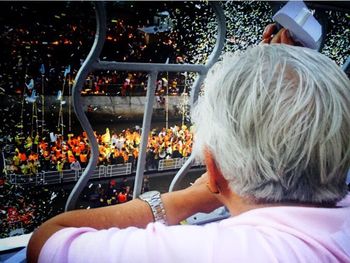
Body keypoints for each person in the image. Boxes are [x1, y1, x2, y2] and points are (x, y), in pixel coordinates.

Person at [27, 26, 350, 263]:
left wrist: (196, 195)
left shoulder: (211, 254)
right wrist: (291, 78)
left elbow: (46, 241)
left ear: (213, 167)